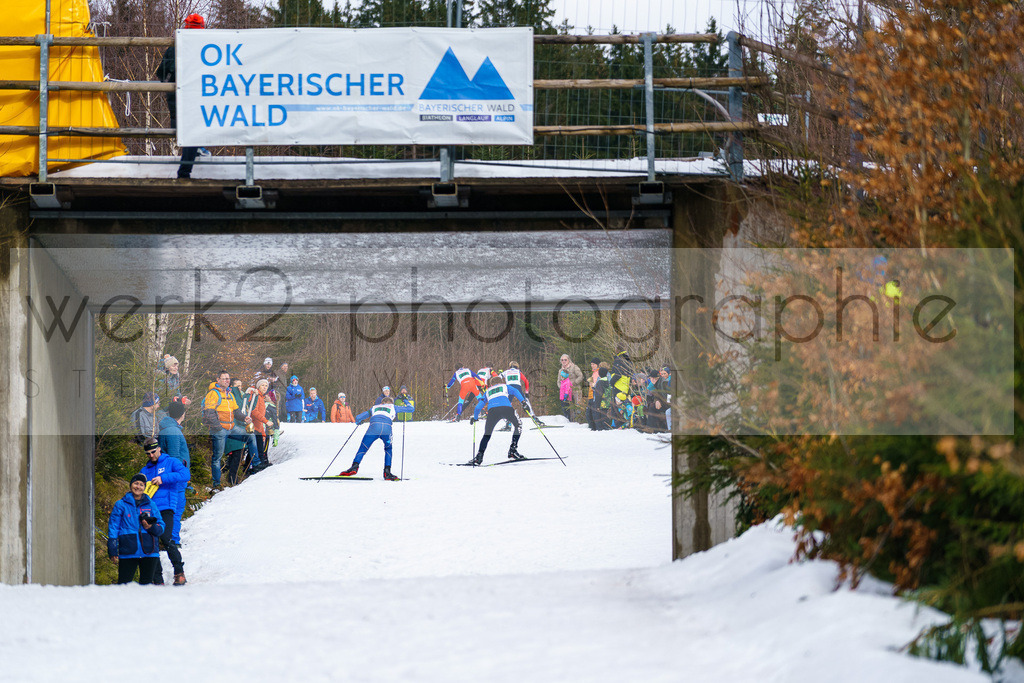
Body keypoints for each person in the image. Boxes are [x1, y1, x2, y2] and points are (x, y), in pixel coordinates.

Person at [155, 13, 206, 179]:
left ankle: (188, 165)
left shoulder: (175, 46)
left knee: (185, 131)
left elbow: (162, 74)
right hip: (196, 97)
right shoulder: (208, 46)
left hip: (177, 97)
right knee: (194, 131)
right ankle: (186, 169)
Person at [138, 437, 189, 585]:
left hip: (166, 507)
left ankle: (179, 573)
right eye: (148, 454)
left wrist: (163, 478)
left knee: (166, 539)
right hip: (150, 510)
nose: (151, 456)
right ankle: (157, 579)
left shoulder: (171, 462)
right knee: (151, 544)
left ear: (159, 448)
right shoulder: (145, 470)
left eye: (153, 452)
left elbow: (185, 475)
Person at [202, 370, 260, 491]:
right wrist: (218, 428)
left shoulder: (230, 394)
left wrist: (245, 418)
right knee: (217, 457)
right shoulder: (213, 394)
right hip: (220, 429)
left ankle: (257, 464)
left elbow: (236, 411)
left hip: (232, 427)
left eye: (228, 379)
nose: (227, 381)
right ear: (218, 380)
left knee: (250, 436)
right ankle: (216, 484)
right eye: (224, 379)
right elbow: (209, 412)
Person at [107, 473, 164, 585]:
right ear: (131, 485)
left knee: (146, 586)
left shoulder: (151, 504)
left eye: (141, 485)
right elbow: (114, 526)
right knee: (124, 586)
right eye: (135, 483)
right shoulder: (121, 505)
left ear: (144, 487)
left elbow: (161, 526)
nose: (138, 487)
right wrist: (112, 547)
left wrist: (151, 527)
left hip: (149, 551)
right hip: (128, 550)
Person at [337, 397, 414, 480]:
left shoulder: (375, 407)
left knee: (363, 448)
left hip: (373, 427)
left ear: (382, 403)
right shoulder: (393, 407)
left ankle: (354, 466)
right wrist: (405, 400)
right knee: (388, 449)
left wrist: (359, 422)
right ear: (391, 403)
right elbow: (411, 409)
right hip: (386, 428)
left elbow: (359, 417)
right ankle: (387, 472)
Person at [466, 375, 532, 466]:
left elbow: (477, 408)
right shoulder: (504, 386)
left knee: (487, 434)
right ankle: (513, 450)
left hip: (493, 411)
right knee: (518, 425)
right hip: (506, 408)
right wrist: (523, 403)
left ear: (491, 385)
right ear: (501, 382)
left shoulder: (487, 391)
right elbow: (516, 391)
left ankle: (479, 457)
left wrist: (475, 418)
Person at [157, 401, 191, 550]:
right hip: (174, 479)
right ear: (182, 414)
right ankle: (172, 540)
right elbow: (175, 457)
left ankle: (168, 538)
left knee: (169, 508)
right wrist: (181, 475)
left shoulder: (166, 428)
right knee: (176, 509)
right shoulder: (173, 431)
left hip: (167, 476)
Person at [246, 379, 275, 469]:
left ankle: (258, 464)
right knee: (256, 447)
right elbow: (254, 411)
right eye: (262, 385)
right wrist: (265, 421)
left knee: (258, 447)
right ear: (258, 386)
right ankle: (255, 467)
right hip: (254, 426)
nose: (265, 387)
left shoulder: (261, 397)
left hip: (258, 426)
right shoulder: (257, 396)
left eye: (266, 386)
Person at [557, 354, 584, 421]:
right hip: (566, 392)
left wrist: (573, 383)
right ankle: (571, 423)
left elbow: (581, 376)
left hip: (576, 390)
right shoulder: (560, 370)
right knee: (569, 408)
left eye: (565, 360)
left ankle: (580, 422)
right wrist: (562, 388)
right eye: (562, 360)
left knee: (578, 407)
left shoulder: (574, 367)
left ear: (568, 360)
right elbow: (558, 381)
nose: (563, 361)